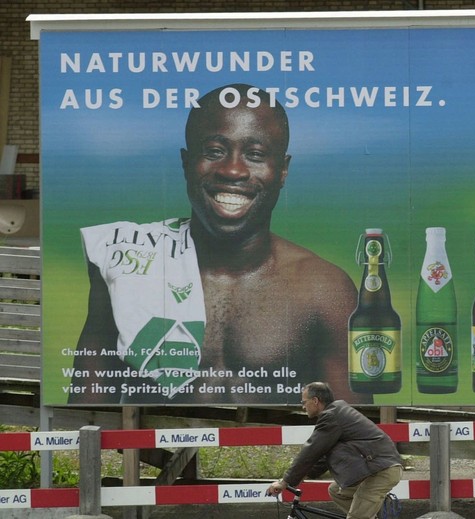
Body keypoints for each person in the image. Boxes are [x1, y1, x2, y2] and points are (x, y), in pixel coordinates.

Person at [68, 84, 366, 405]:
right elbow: (88, 413)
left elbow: (354, 427)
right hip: (156, 455)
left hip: (284, 455)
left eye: (255, 155)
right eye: (214, 151)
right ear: (186, 163)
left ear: (282, 171)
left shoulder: (324, 289)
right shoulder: (128, 266)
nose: (233, 170)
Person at [268, 382, 402, 519]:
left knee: (357, 517)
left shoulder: (331, 416)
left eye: (304, 402)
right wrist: (303, 475)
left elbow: (311, 450)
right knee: (336, 490)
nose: (303, 407)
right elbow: (321, 456)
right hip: (375, 468)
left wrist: (285, 481)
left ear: (315, 401)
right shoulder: (336, 413)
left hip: (381, 471)